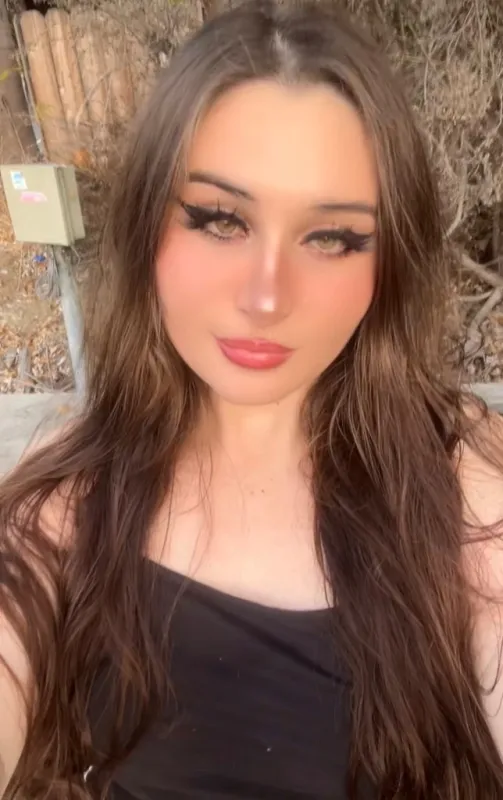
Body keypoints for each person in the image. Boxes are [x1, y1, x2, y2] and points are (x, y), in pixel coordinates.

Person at [2, 0, 503, 797]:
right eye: (219, 219)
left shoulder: (461, 490)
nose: (267, 297)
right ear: (146, 225)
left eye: (330, 237)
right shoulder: (67, 504)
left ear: (387, 265)